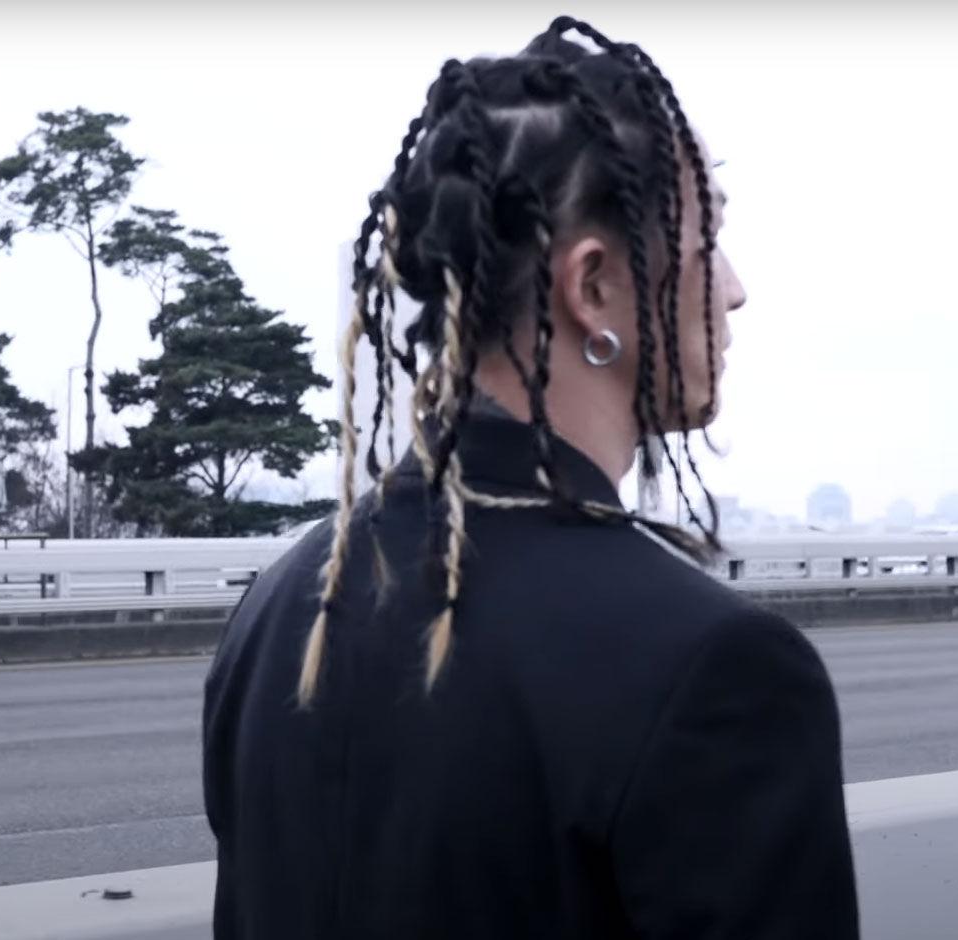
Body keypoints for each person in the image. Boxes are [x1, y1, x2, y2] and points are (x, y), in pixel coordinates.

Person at [202, 16, 858, 939]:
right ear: (591, 288)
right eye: (707, 238)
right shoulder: (717, 668)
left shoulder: (281, 606)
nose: (736, 287)